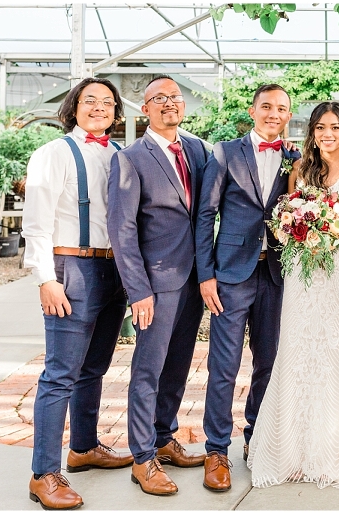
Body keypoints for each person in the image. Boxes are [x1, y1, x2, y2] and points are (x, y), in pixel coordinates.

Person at [246, 101, 339, 491]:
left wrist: (336, 240)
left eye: (335, 127)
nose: (327, 134)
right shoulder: (300, 170)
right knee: (297, 349)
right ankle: (290, 451)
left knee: (335, 351)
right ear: (313, 132)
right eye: (320, 127)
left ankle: (331, 452)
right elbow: (287, 219)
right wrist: (301, 235)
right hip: (303, 273)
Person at [23, 77, 133, 510]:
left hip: (114, 269)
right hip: (73, 267)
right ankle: (43, 474)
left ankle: (84, 447)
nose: (99, 107)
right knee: (59, 374)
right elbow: (36, 223)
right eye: (90, 100)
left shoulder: (120, 154)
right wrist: (45, 279)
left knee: (94, 367)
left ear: (116, 112)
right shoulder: (53, 153)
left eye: (107, 102)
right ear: (74, 107)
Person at [195, 84, 301, 492]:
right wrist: (206, 275)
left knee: (268, 362)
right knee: (223, 366)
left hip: (275, 274)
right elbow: (206, 215)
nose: (274, 114)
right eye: (267, 107)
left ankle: (256, 438)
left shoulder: (294, 158)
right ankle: (216, 450)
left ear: (288, 115)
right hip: (230, 276)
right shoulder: (224, 153)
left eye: (282, 109)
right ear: (253, 110)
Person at [107, 75, 209, 496]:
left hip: (193, 280)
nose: (169, 103)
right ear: (145, 108)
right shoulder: (130, 158)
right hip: (156, 283)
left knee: (179, 364)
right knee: (147, 371)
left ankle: (165, 438)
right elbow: (122, 230)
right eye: (159, 98)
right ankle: (142, 457)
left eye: (175, 97)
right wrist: (139, 292)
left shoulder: (198, 150)